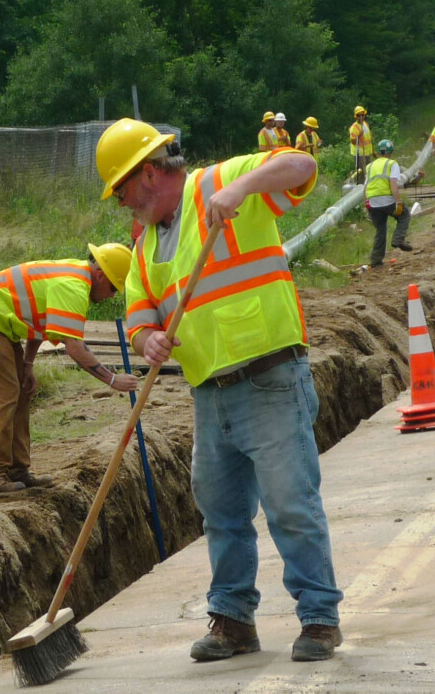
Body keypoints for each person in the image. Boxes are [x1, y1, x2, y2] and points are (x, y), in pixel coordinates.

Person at [96, 118, 343, 662]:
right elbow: (139, 316)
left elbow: (301, 166)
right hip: (209, 393)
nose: (121, 204)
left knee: (289, 504)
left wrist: (242, 187)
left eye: (122, 189)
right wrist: (148, 340)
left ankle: (319, 617)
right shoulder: (142, 249)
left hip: (270, 377)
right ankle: (232, 620)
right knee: (221, 512)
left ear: (151, 172)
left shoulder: (218, 185)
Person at [0, 243, 138, 498]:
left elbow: (40, 322)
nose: (111, 295)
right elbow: (74, 346)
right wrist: (111, 379)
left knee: (19, 391)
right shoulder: (73, 286)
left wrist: (28, 365)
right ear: (100, 275)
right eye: (112, 288)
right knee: (0, 396)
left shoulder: (75, 277)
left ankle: (18, 470)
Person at [365, 139, 413, 266]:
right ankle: (398, 240)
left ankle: (375, 260)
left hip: (373, 202)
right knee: (405, 214)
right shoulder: (392, 164)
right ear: (391, 151)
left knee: (380, 229)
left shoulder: (370, 166)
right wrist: (398, 202)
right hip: (387, 199)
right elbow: (393, 183)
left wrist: (367, 204)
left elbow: (365, 186)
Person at [350, 105, 373, 180]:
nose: (360, 117)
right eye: (358, 115)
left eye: (362, 115)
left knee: (369, 170)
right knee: (361, 172)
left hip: (367, 152)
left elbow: (369, 139)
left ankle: (368, 186)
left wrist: (373, 151)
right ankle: (360, 187)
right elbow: (353, 142)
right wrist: (359, 135)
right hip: (359, 153)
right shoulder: (354, 127)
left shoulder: (366, 124)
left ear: (364, 115)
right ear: (355, 116)